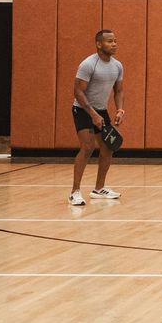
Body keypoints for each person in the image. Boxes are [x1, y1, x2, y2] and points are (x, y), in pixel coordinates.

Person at [69, 28, 125, 206]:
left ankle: (99, 189)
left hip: (101, 110)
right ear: (99, 44)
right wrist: (92, 114)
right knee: (87, 147)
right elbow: (78, 92)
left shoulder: (117, 66)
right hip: (83, 109)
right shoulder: (88, 64)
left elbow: (119, 90)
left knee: (108, 148)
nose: (114, 44)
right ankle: (74, 192)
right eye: (110, 41)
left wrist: (120, 109)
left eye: (115, 40)